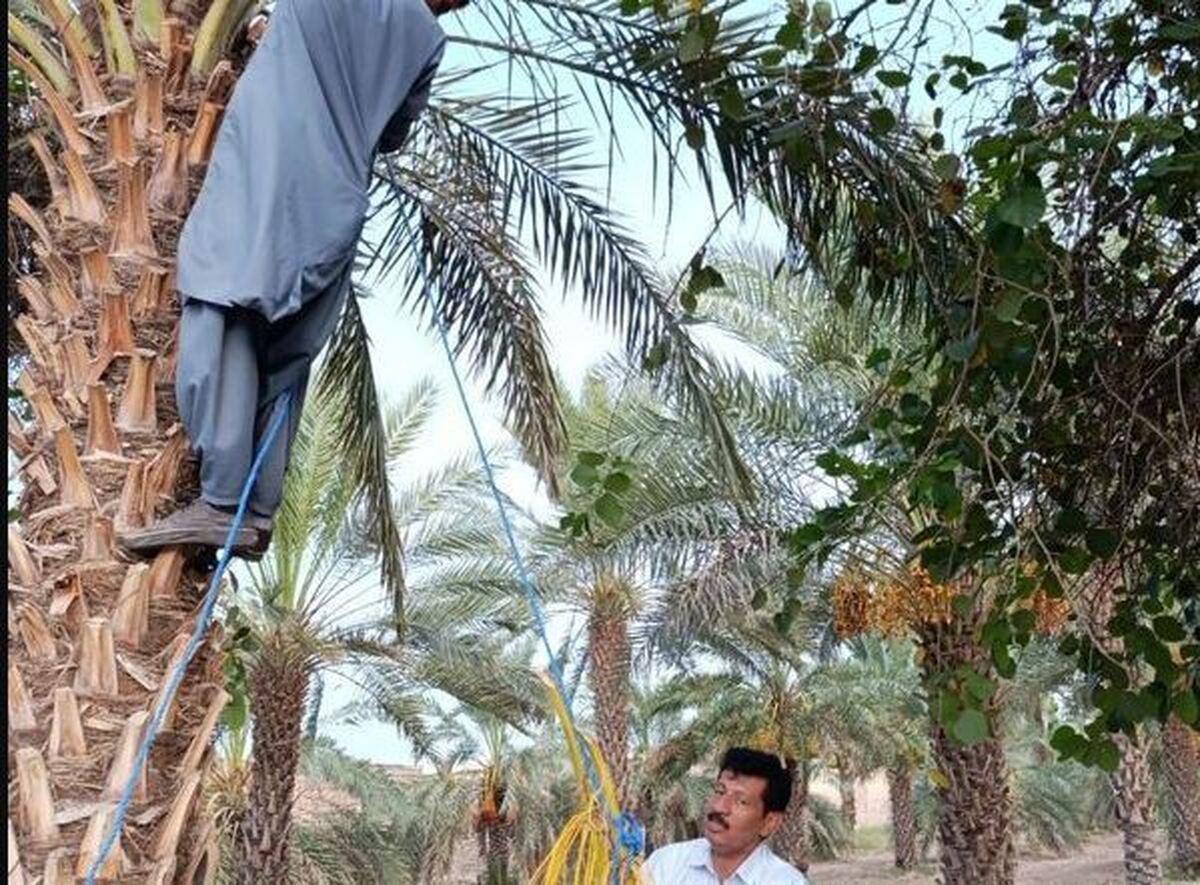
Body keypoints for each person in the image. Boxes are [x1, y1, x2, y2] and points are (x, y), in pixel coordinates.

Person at [119, 0, 469, 558]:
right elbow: (394, 133)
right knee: (281, 361)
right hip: (335, 209)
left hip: (267, 174)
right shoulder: (427, 39)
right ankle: (258, 509)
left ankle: (222, 502)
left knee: (220, 310)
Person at [644, 747, 808, 884]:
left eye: (740, 801)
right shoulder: (666, 864)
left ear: (769, 823)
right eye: (719, 791)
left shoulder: (787, 881)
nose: (719, 806)